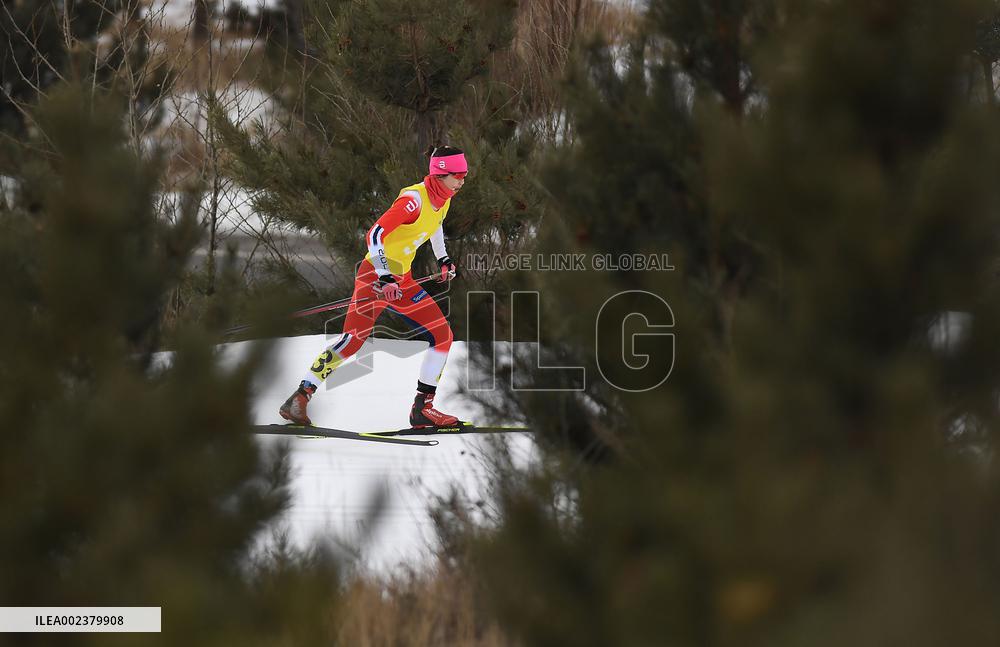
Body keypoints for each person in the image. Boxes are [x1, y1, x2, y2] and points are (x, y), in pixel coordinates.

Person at [279, 145, 467, 428]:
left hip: (402, 280)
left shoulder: (445, 197)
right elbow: (375, 234)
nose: (462, 179)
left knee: (443, 335)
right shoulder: (413, 200)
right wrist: (384, 276)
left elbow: (436, 223)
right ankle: (301, 395)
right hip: (376, 278)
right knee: (353, 340)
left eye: (465, 174)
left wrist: (443, 259)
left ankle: (423, 409)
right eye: (457, 174)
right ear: (440, 174)